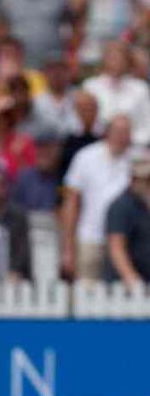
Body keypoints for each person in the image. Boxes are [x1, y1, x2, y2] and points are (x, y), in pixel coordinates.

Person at [62, 115, 132, 281]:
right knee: (86, 293)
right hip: (90, 238)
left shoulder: (138, 160)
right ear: (107, 133)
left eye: (126, 132)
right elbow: (71, 203)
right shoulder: (85, 157)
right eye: (118, 131)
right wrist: (68, 249)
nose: (121, 136)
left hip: (125, 242)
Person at [105, 150, 150, 288]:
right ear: (133, 179)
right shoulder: (121, 206)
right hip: (127, 288)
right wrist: (132, 279)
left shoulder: (145, 204)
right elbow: (116, 247)